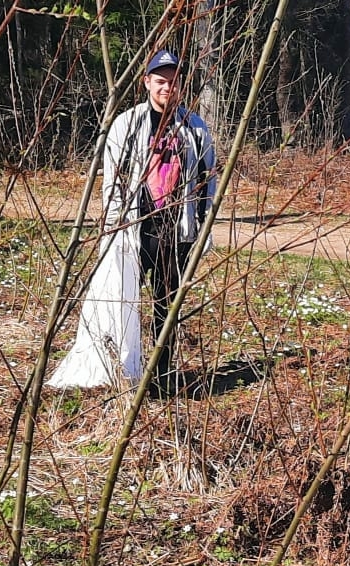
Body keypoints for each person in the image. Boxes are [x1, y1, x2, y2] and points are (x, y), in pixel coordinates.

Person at [102, 48, 217, 392]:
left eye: (174, 81)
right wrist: (114, 227)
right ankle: (123, 371)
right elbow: (113, 179)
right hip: (134, 230)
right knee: (123, 303)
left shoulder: (194, 127)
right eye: (160, 81)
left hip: (175, 232)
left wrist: (204, 227)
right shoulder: (127, 124)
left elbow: (207, 180)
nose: (167, 87)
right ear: (147, 82)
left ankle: (161, 376)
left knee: (167, 307)